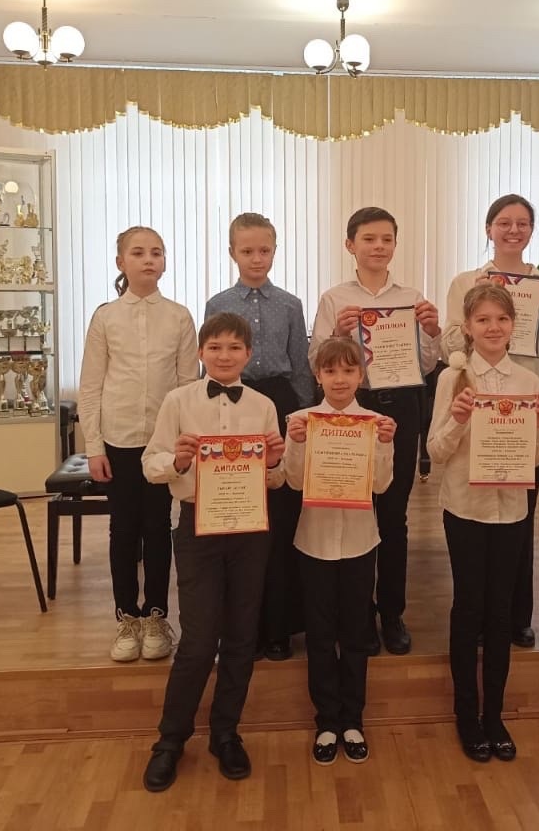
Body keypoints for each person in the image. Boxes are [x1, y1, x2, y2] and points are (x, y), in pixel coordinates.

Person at [139, 312, 287, 793]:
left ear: (249, 354)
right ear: (201, 352)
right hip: (197, 527)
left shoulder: (264, 405)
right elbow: (150, 464)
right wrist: (178, 460)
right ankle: (170, 740)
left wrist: (275, 462)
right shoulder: (178, 401)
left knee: (242, 637)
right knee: (200, 640)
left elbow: (276, 480)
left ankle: (226, 732)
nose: (225, 356)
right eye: (216, 347)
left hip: (250, 530)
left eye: (234, 347)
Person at [428, 283, 539, 763]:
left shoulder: (529, 381)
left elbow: (535, 459)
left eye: (501, 319)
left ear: (514, 325)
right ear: (468, 326)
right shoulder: (451, 379)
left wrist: (538, 427)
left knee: (501, 612)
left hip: (512, 510)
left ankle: (494, 714)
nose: (493, 327)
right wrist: (458, 419)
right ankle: (466, 714)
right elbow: (436, 452)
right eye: (483, 320)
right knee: (469, 608)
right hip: (465, 508)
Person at [310, 206, 441, 656]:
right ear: (351, 245)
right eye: (369, 238)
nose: (378, 246)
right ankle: (359, 614)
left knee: (394, 516)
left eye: (386, 239)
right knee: (356, 509)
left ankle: (393, 612)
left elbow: (426, 364)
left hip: (401, 407)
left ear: (395, 245)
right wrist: (337, 333)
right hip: (353, 407)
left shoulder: (412, 297)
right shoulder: (334, 298)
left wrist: (431, 331)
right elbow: (317, 363)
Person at [441, 194, 539, 649]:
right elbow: (449, 344)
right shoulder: (465, 281)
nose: (513, 230)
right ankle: (476, 612)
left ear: (532, 229)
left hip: (524, 403)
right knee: (476, 513)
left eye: (522, 223)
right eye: (504, 222)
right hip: (477, 402)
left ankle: (517, 614)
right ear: (488, 229)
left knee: (521, 515)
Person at [78, 226, 197, 663]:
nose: (149, 259)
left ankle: (156, 616)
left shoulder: (180, 317)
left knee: (159, 527)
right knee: (124, 529)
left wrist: (184, 444)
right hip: (119, 438)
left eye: (157, 253)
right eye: (139, 252)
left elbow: (188, 384)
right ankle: (127, 616)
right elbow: (91, 386)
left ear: (164, 262)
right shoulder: (105, 318)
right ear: (120, 263)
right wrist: (94, 446)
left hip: (163, 442)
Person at [205, 212, 312, 661]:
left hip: (281, 403)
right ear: (232, 252)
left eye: (264, 250)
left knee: (281, 518)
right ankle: (240, 630)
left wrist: (302, 421)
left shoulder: (289, 304)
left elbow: (301, 366)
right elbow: (211, 363)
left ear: (274, 251)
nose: (256, 258)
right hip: (235, 404)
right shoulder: (218, 303)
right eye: (247, 250)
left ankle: (279, 627)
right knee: (241, 519)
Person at [284, 337, 396, 765]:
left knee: (355, 634)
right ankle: (326, 721)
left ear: (361, 375)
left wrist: (385, 444)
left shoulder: (375, 423)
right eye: (330, 371)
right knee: (319, 636)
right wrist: (296, 443)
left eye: (349, 370)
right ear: (318, 376)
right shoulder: (301, 421)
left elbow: (381, 484)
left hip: (360, 543)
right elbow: (294, 482)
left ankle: (353, 719)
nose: (340, 379)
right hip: (313, 543)